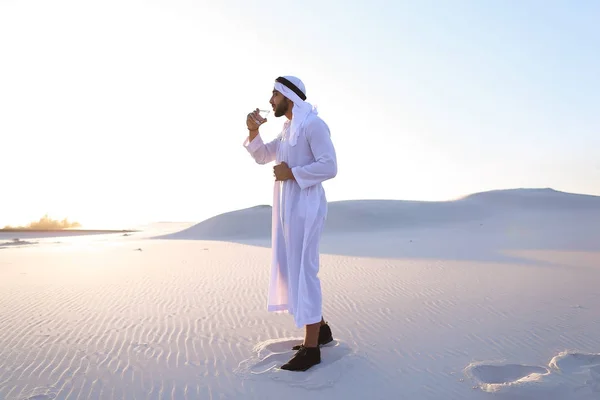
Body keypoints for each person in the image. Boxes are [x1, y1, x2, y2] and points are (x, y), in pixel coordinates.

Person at [243, 76, 338, 371]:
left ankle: (311, 350)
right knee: (290, 268)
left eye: (274, 94)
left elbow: (330, 166)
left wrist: (292, 173)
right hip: (287, 210)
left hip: (307, 209)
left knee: (305, 271)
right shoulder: (287, 130)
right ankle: (320, 330)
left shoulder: (312, 125)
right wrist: (252, 130)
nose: (271, 101)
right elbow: (262, 156)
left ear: (288, 96)